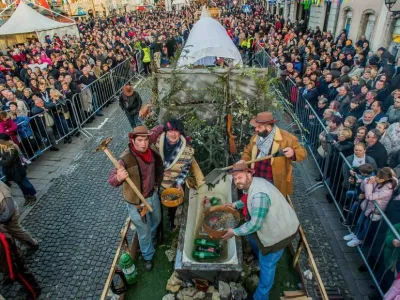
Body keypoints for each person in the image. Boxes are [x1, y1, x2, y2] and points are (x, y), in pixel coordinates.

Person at [222, 163, 299, 300]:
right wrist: (235, 205)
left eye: (239, 177)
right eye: (235, 178)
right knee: (253, 238)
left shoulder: (259, 195)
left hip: (279, 234)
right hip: (274, 222)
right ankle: (258, 257)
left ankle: (261, 296)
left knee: (268, 265)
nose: (237, 181)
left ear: (249, 174)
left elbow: (255, 224)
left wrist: (234, 231)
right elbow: (246, 198)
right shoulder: (254, 183)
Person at [108, 126, 164, 271]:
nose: (143, 143)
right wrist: (119, 177)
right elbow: (112, 180)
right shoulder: (125, 159)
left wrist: (167, 125)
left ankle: (152, 240)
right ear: (132, 140)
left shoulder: (149, 144)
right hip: (137, 204)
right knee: (143, 231)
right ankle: (148, 256)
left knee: (156, 220)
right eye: (139, 140)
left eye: (145, 139)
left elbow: (156, 130)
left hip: (152, 195)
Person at [239, 112, 307, 197]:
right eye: (256, 127)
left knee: (274, 203)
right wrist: (244, 160)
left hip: (274, 181)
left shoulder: (286, 138)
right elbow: (247, 151)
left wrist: (293, 153)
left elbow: (303, 153)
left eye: (259, 127)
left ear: (269, 128)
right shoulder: (256, 137)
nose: (256, 130)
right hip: (256, 177)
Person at [148, 118, 195, 229]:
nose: (173, 134)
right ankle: (158, 226)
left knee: (172, 205)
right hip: (156, 183)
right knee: (156, 207)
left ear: (180, 132)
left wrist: (179, 183)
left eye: (176, 131)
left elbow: (185, 168)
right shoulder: (157, 142)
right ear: (165, 132)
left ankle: (171, 220)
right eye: (170, 131)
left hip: (172, 184)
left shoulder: (188, 150)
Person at [0, 232, 41, 300]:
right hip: (13, 262)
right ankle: (32, 287)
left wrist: (11, 272)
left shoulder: (1, 238)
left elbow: (8, 255)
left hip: (13, 265)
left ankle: (34, 293)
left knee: (24, 278)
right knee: (25, 276)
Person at [0, 134, 37, 206]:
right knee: (20, 185)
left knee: (26, 183)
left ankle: (32, 196)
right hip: (10, 171)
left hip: (17, 170)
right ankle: (27, 197)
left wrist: (1, 161)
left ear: (4, 141)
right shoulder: (2, 148)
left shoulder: (13, 148)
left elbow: (8, 162)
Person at [0, 181, 38, 247]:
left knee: (17, 231)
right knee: (14, 232)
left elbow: (9, 208)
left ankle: (32, 244)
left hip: (9, 214)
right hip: (7, 212)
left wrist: (1, 220)